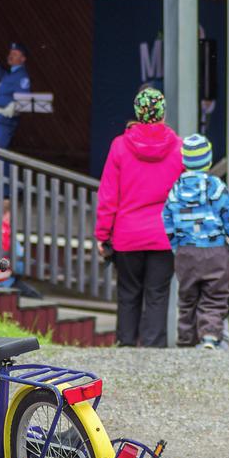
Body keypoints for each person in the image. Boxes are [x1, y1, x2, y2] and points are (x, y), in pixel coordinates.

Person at [95, 87, 183, 347]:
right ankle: (155, 350)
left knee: (128, 293)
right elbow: (183, 194)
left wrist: (102, 234)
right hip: (164, 236)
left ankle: (125, 346)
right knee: (157, 295)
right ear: (163, 114)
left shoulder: (120, 146)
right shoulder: (178, 148)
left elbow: (109, 195)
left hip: (127, 235)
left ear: (137, 112)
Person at [163, 134, 229, 349]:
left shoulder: (175, 190)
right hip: (215, 251)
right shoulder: (215, 187)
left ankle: (185, 340)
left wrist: (176, 245)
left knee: (187, 297)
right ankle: (210, 337)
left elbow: (167, 219)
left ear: (184, 161)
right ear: (208, 161)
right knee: (215, 295)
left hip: (186, 251)